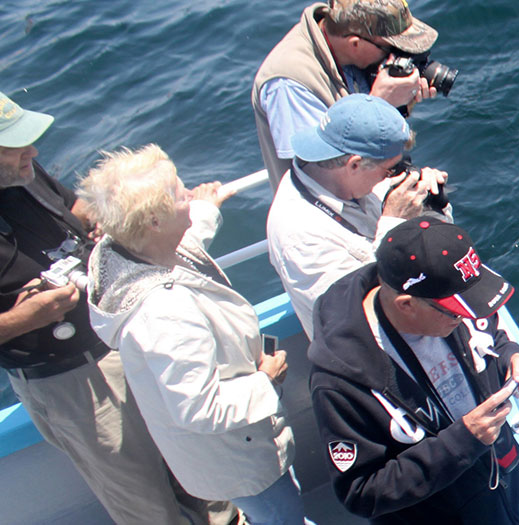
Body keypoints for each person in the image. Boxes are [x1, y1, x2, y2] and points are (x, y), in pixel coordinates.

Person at [0, 94, 238, 525]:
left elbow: (70, 209)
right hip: (70, 379)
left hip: (122, 333)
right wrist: (28, 317)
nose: (32, 153)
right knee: (147, 504)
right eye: (14, 147)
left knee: (200, 466)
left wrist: (105, 211)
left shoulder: (20, 170)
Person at [80, 145, 306, 525]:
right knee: (281, 516)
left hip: (233, 445)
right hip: (238, 456)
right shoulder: (164, 315)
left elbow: (185, 247)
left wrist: (205, 208)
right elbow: (199, 408)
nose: (189, 195)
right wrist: (265, 381)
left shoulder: (125, 249)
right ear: (153, 220)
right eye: (180, 193)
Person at [309, 216, 519, 523]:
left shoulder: (451, 301)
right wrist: (463, 441)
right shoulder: (341, 380)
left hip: (506, 481)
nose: (466, 318)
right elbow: (362, 492)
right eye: (457, 313)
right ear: (407, 305)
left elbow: (490, 335)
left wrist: (512, 355)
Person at [265, 94, 444, 338]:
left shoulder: (334, 177)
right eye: (390, 169)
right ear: (354, 165)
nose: (392, 177)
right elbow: (360, 312)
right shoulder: (299, 236)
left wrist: (431, 204)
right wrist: (394, 223)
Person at [252, 0, 440, 185]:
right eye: (389, 48)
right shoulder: (289, 82)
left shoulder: (349, 54)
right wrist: (380, 103)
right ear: (355, 44)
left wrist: (401, 103)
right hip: (329, 209)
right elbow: (318, 172)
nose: (395, 54)